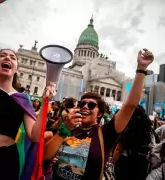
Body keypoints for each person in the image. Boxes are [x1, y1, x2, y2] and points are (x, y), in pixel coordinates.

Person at [44, 48, 154, 180]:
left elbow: (130, 106)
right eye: (81, 103)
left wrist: (141, 68)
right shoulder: (66, 129)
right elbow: (45, 156)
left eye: (91, 105)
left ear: (100, 112)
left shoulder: (105, 134)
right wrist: (64, 130)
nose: (85, 106)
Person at [0, 49, 55, 180]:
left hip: (4, 160)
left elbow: (34, 136)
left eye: (12, 57)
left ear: (16, 69)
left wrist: (45, 101)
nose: (7, 58)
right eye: (2, 55)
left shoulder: (22, 99)